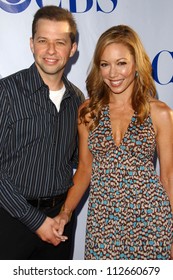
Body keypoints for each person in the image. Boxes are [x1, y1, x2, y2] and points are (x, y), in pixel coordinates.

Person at [56, 25, 173, 260]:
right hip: (104, 222)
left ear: (136, 64)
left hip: (152, 221)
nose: (113, 73)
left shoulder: (159, 113)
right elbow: (85, 170)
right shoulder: (88, 112)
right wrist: (64, 212)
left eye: (121, 63)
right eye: (105, 64)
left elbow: (169, 177)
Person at [0, 5, 85, 260]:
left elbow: (78, 163)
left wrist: (64, 215)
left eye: (60, 42)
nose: (50, 50)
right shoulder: (6, 93)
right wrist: (35, 220)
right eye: (43, 41)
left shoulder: (77, 100)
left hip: (61, 224)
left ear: (72, 49)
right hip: (11, 220)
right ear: (31, 44)